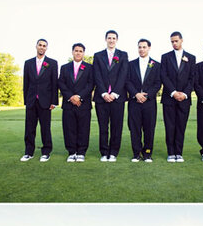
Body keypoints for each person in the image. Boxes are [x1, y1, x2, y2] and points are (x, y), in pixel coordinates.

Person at [160, 31, 197, 163]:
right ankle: (171, 153)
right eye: (172, 41)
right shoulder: (165, 57)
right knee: (170, 126)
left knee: (181, 126)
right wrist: (174, 92)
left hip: (184, 99)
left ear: (182, 40)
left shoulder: (191, 58)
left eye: (176, 41)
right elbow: (163, 76)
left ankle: (179, 153)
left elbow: (192, 78)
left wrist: (185, 94)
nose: (174, 43)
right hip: (169, 98)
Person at [93, 30, 129, 162]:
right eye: (109, 38)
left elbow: (123, 75)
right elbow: (96, 75)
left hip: (117, 98)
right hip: (101, 98)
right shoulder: (98, 56)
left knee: (116, 126)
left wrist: (114, 94)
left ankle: (113, 152)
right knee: (103, 126)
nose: (111, 40)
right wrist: (103, 93)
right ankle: (104, 151)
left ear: (117, 40)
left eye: (114, 38)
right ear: (105, 39)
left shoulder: (123, 55)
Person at [21, 39, 58, 162]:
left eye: (44, 46)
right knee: (29, 128)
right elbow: (26, 83)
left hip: (45, 101)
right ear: (36, 46)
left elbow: (54, 84)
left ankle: (46, 152)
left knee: (45, 128)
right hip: (31, 100)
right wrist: (26, 100)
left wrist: (54, 101)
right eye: (40, 45)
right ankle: (28, 152)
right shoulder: (28, 63)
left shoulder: (52, 63)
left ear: (47, 48)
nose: (42, 47)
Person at [126, 39, 162, 163]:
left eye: (144, 47)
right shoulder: (130, 64)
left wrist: (147, 95)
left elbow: (158, 83)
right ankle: (136, 153)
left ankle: (147, 153)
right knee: (134, 128)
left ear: (149, 48)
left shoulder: (156, 65)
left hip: (149, 103)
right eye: (140, 47)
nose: (141, 49)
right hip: (134, 102)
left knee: (149, 128)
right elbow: (127, 81)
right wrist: (136, 94)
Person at [58, 43, 94, 162]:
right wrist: (71, 97)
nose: (78, 53)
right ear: (72, 52)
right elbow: (61, 83)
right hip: (69, 104)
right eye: (76, 50)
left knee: (83, 128)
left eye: (80, 51)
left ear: (83, 53)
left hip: (83, 104)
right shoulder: (64, 67)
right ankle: (71, 152)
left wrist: (79, 96)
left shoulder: (89, 68)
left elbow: (90, 84)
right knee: (69, 128)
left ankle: (81, 152)